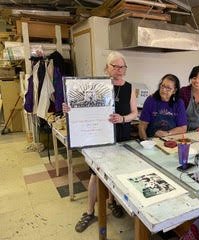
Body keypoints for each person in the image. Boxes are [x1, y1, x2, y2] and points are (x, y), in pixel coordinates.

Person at [67, 51, 138, 232]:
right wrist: (70, 108)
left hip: (121, 135)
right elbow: (81, 106)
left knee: (117, 172)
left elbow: (134, 114)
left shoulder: (129, 87)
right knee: (95, 175)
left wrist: (122, 119)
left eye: (122, 66)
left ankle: (112, 202)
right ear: (107, 68)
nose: (119, 70)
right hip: (99, 136)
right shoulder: (96, 86)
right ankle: (89, 212)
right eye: (114, 66)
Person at [139, 74, 187, 140]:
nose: (164, 90)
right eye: (162, 86)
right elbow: (142, 126)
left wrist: (167, 133)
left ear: (174, 91)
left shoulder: (179, 103)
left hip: (171, 140)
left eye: (168, 88)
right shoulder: (151, 100)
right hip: (152, 140)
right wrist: (145, 142)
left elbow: (183, 128)